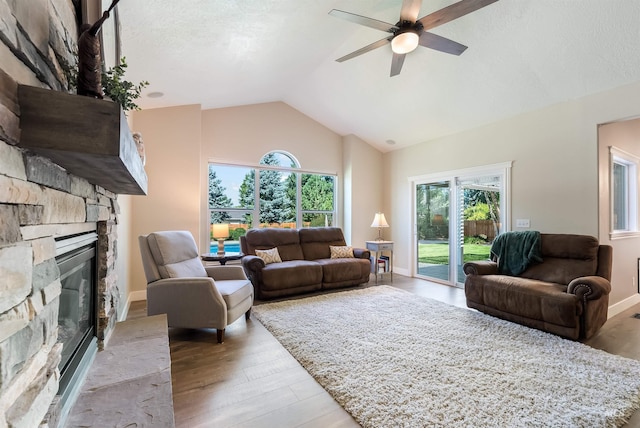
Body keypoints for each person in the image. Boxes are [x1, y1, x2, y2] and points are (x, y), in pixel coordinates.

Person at [77, 10, 110, 98]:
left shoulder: (81, 40)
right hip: (90, 71)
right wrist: (103, 18)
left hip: (85, 70)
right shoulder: (87, 35)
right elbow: (95, 28)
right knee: (91, 89)